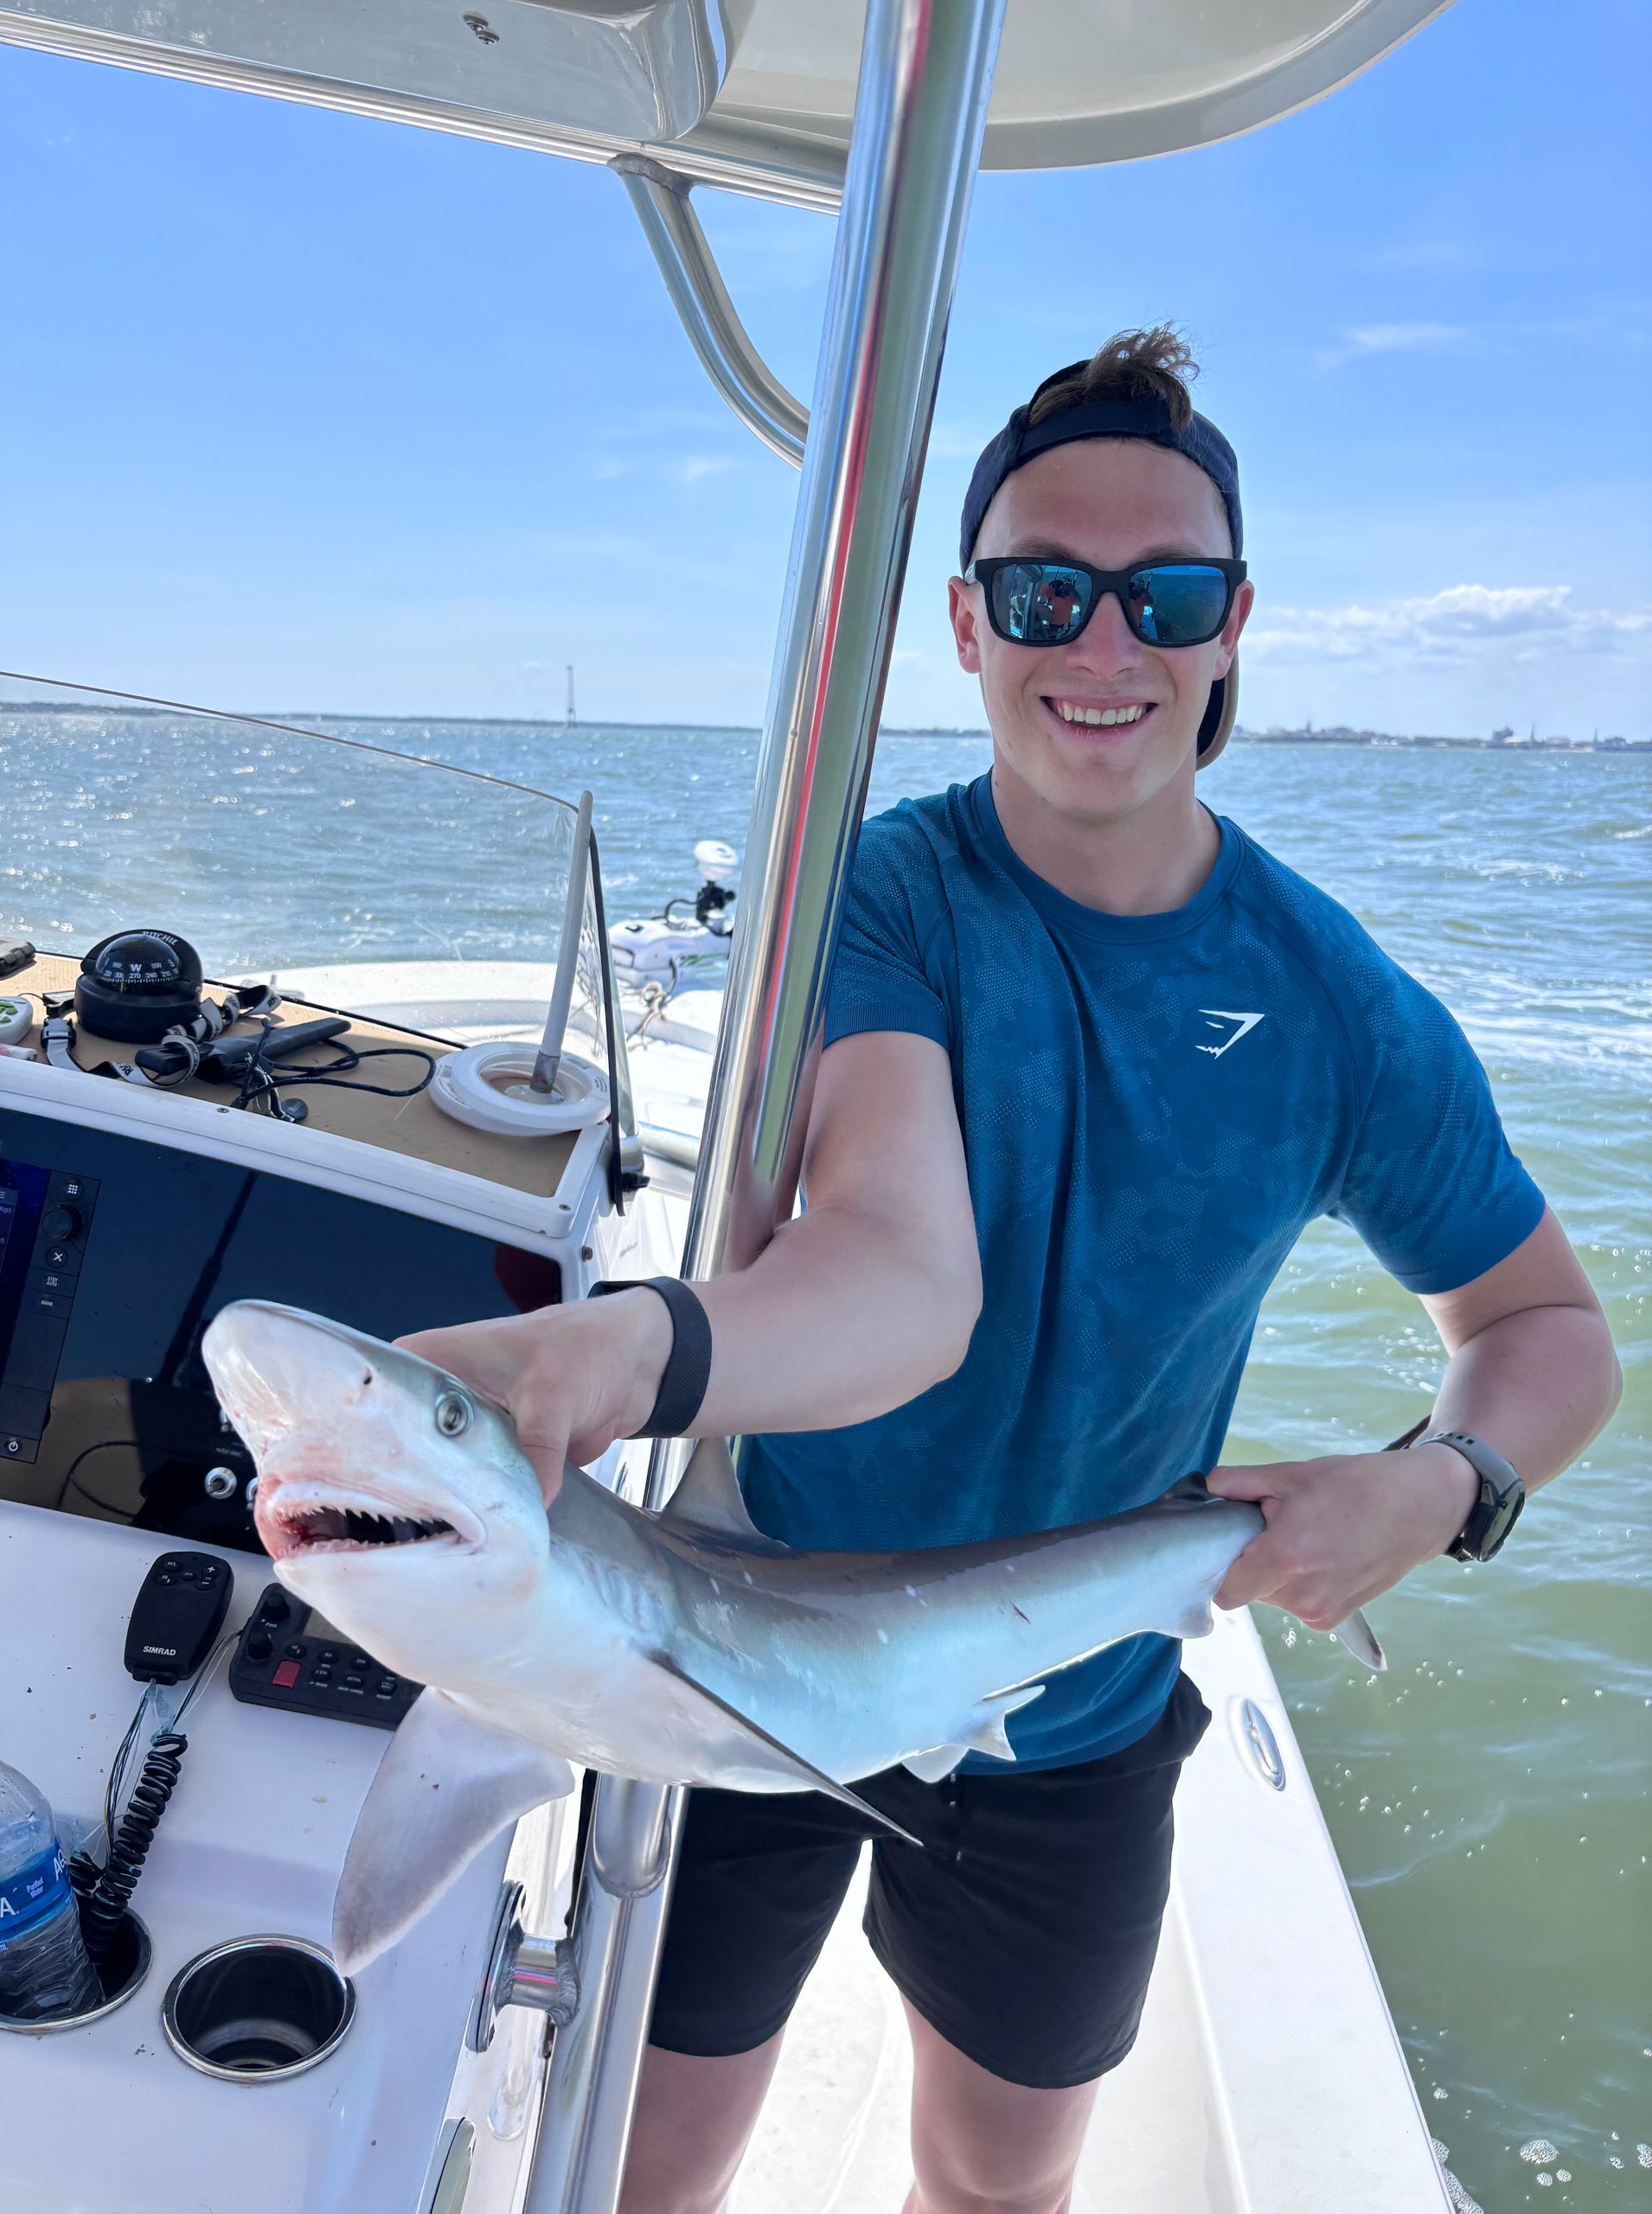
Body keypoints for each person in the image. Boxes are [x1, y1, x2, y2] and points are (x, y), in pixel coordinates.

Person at [405, 328, 1622, 2214]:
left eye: (1170, 592)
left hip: (1078, 1700)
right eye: (1048, 589)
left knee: (998, 2183)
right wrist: (612, 1353)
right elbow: (897, 1264)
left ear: (1237, 625)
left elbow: (1544, 1326)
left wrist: (1445, 1480)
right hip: (750, 1641)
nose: (1106, 643)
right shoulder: (879, 894)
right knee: (644, 2164)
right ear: (971, 625)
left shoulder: (1338, 1007)